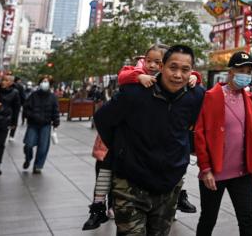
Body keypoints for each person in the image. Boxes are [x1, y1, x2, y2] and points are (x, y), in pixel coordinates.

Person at [94, 45, 204, 236]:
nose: (178, 75)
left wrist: (184, 151)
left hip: (169, 185)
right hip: (130, 184)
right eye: (173, 67)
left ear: (192, 72)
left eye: (185, 70)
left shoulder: (195, 96)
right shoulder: (134, 92)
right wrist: (122, 149)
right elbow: (103, 119)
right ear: (162, 67)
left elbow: (198, 127)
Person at [82, 44, 167, 231]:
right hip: (118, 140)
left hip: (146, 150)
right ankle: (98, 206)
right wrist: (139, 76)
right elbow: (123, 77)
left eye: (158, 62)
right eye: (149, 61)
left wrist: (194, 76)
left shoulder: (169, 83)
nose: (152, 65)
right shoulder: (135, 75)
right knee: (106, 169)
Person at [194, 51, 252, 236]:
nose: (245, 75)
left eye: (248, 71)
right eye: (241, 70)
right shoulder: (212, 96)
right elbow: (199, 134)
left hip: (242, 172)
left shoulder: (249, 98)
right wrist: (205, 169)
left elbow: (251, 135)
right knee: (208, 218)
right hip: (215, 173)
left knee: (247, 219)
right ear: (231, 71)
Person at [22, 75, 60, 174]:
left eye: (47, 81)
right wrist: (31, 115)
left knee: (43, 147)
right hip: (33, 124)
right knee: (28, 145)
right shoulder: (33, 95)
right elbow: (26, 108)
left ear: (50, 84)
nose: (44, 83)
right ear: (40, 83)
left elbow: (55, 111)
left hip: (46, 125)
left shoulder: (53, 97)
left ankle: (38, 165)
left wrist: (56, 122)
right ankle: (28, 158)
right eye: (43, 81)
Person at [8, 76, 25, 141]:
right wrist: (23, 105)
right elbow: (23, 97)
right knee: (14, 120)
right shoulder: (20, 87)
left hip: (8, 105)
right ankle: (11, 135)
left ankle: (5, 131)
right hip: (16, 106)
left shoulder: (8, 85)